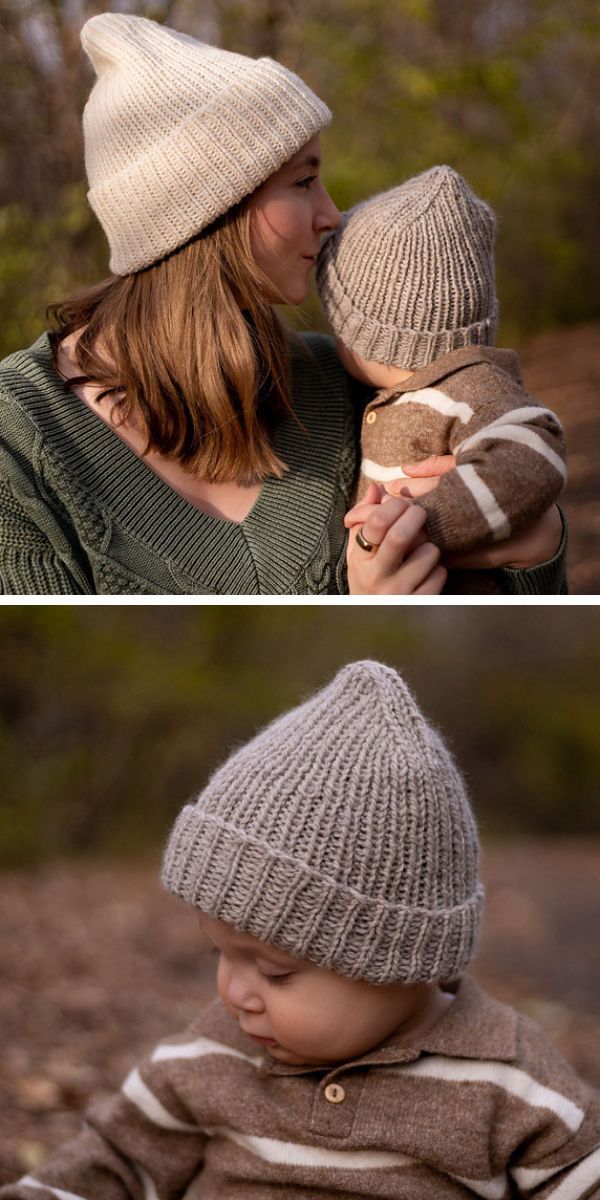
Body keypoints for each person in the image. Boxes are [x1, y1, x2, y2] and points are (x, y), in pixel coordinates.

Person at [0, 14, 565, 595]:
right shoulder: (17, 446)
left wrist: (536, 547)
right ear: (207, 211)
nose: (332, 214)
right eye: (303, 182)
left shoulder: (351, 386)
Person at [3, 660, 598, 1199]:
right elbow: (112, 1164)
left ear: (392, 960)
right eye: (221, 951)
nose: (232, 993)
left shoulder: (509, 1084)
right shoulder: (212, 1057)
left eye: (274, 971)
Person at [316, 167, 568, 593]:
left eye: (340, 329)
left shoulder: (472, 388)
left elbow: (534, 454)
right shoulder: (407, 394)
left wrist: (426, 521)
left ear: (376, 340)